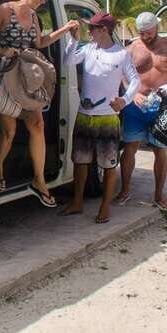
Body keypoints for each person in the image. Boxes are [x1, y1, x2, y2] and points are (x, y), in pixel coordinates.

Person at [0, 0, 78, 207]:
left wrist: (64, 30)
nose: (43, 1)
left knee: (36, 125)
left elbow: (39, 43)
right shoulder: (4, 11)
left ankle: (39, 181)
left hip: (26, 78)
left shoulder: (35, 17)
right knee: (9, 131)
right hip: (5, 76)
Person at [59, 12, 140, 222]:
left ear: (104, 30)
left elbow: (135, 81)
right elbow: (67, 60)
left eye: (92, 29)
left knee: (108, 164)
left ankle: (105, 207)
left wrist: (124, 100)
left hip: (107, 118)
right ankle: (77, 202)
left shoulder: (121, 54)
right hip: (85, 115)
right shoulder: (87, 49)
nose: (89, 32)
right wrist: (74, 39)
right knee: (80, 161)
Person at [115, 12, 167, 210]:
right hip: (135, 106)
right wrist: (131, 94)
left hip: (160, 106)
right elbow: (121, 73)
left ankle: (159, 195)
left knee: (160, 150)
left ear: (156, 28)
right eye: (141, 33)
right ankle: (124, 191)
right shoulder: (132, 48)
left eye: (148, 33)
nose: (144, 37)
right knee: (130, 147)